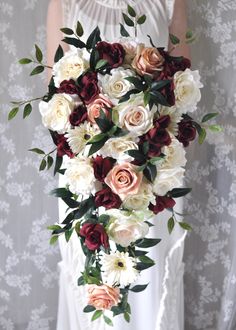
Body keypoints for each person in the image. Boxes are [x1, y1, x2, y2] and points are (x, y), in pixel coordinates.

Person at [46, 1, 190, 329]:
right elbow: (54, 85)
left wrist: (144, 137)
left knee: (148, 269)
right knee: (91, 269)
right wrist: (94, 139)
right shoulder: (63, 2)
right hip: (85, 164)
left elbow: (179, 86)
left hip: (152, 164)